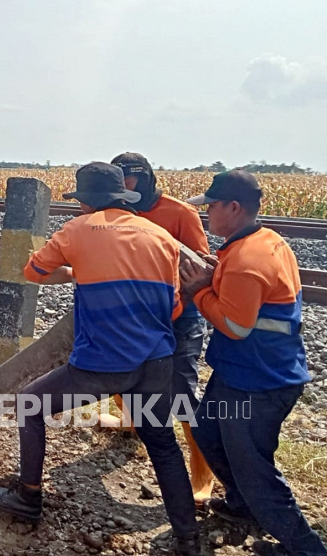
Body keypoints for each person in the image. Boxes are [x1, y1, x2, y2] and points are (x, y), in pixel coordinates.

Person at [0, 162, 200, 556]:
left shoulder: (78, 230)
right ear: (123, 196)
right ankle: (188, 537)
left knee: (30, 405)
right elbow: (173, 309)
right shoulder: (162, 237)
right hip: (155, 360)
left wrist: (80, 272)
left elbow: (34, 272)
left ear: (84, 201)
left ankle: (28, 497)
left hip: (101, 363)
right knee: (162, 442)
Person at [181, 171, 326, 556]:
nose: (206, 213)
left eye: (211, 206)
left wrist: (198, 291)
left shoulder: (248, 258)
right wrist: (217, 279)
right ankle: (242, 505)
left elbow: (234, 326)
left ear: (234, 207)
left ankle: (305, 549)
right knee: (207, 431)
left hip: (257, 382)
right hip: (242, 372)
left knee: (255, 471)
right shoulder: (263, 240)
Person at [98, 152, 215, 506]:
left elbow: (200, 267)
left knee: (180, 393)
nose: (123, 188)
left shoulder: (180, 213)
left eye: (128, 180)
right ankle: (132, 422)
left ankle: (202, 476)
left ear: (144, 178)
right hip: (132, 314)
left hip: (178, 318)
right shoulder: (111, 211)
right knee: (118, 374)